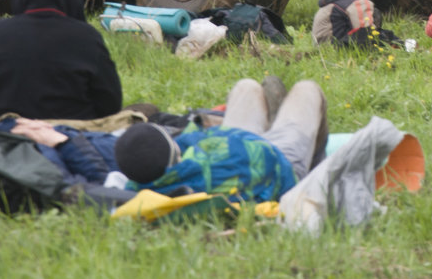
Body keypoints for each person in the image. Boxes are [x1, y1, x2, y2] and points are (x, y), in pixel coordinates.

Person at [115, 77, 327, 205]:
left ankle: (273, 124)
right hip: (280, 165)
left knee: (246, 87)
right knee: (307, 90)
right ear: (176, 153)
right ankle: (311, 168)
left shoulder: (144, 185)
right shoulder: (203, 178)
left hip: (239, 148)